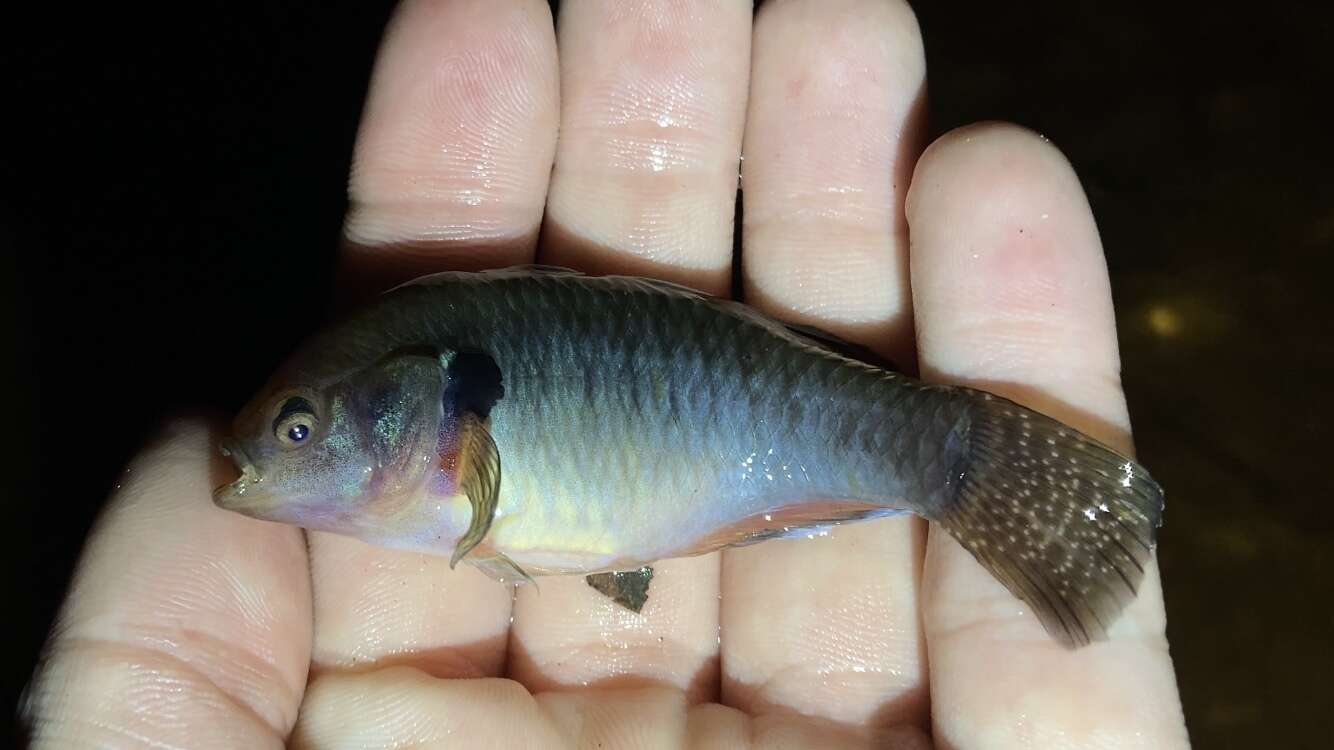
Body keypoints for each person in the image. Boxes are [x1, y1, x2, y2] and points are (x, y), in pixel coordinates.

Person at [21, 1, 1190, 747]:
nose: (270, 454)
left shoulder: (442, 400)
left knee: (925, 439)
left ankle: (966, 465)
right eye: (290, 431)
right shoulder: (425, 417)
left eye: (299, 432)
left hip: (721, 456)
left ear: (424, 410)